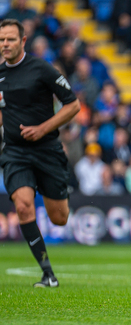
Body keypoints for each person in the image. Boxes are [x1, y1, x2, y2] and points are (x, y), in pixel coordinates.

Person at [0, 19, 81, 287]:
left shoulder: (42, 69)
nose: (5, 44)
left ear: (23, 41)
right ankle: (48, 274)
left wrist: (42, 129)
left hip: (46, 150)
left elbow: (73, 105)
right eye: (1, 40)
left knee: (59, 218)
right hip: (14, 152)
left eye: (10, 39)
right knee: (23, 206)